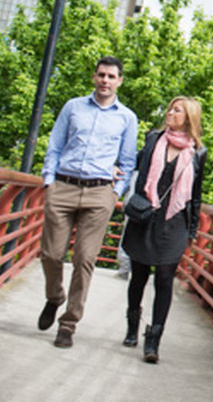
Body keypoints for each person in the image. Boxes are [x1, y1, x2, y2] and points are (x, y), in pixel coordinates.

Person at [38, 56, 138, 348]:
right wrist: (49, 182)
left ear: (119, 81)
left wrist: (114, 192)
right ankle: (55, 297)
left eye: (111, 76)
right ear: (94, 77)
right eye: (101, 75)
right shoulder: (73, 107)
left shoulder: (127, 117)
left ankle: (68, 323)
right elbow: (55, 146)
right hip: (64, 186)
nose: (105, 80)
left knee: (84, 259)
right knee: (52, 254)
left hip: (99, 194)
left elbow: (128, 160)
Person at [121, 96, 206, 363]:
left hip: (175, 222)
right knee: (139, 276)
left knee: (165, 279)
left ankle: (153, 340)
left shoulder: (198, 152)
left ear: (188, 117)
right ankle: (132, 325)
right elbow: (131, 163)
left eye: (176, 110)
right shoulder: (153, 139)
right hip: (146, 215)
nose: (170, 112)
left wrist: (192, 231)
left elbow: (196, 194)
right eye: (170, 108)